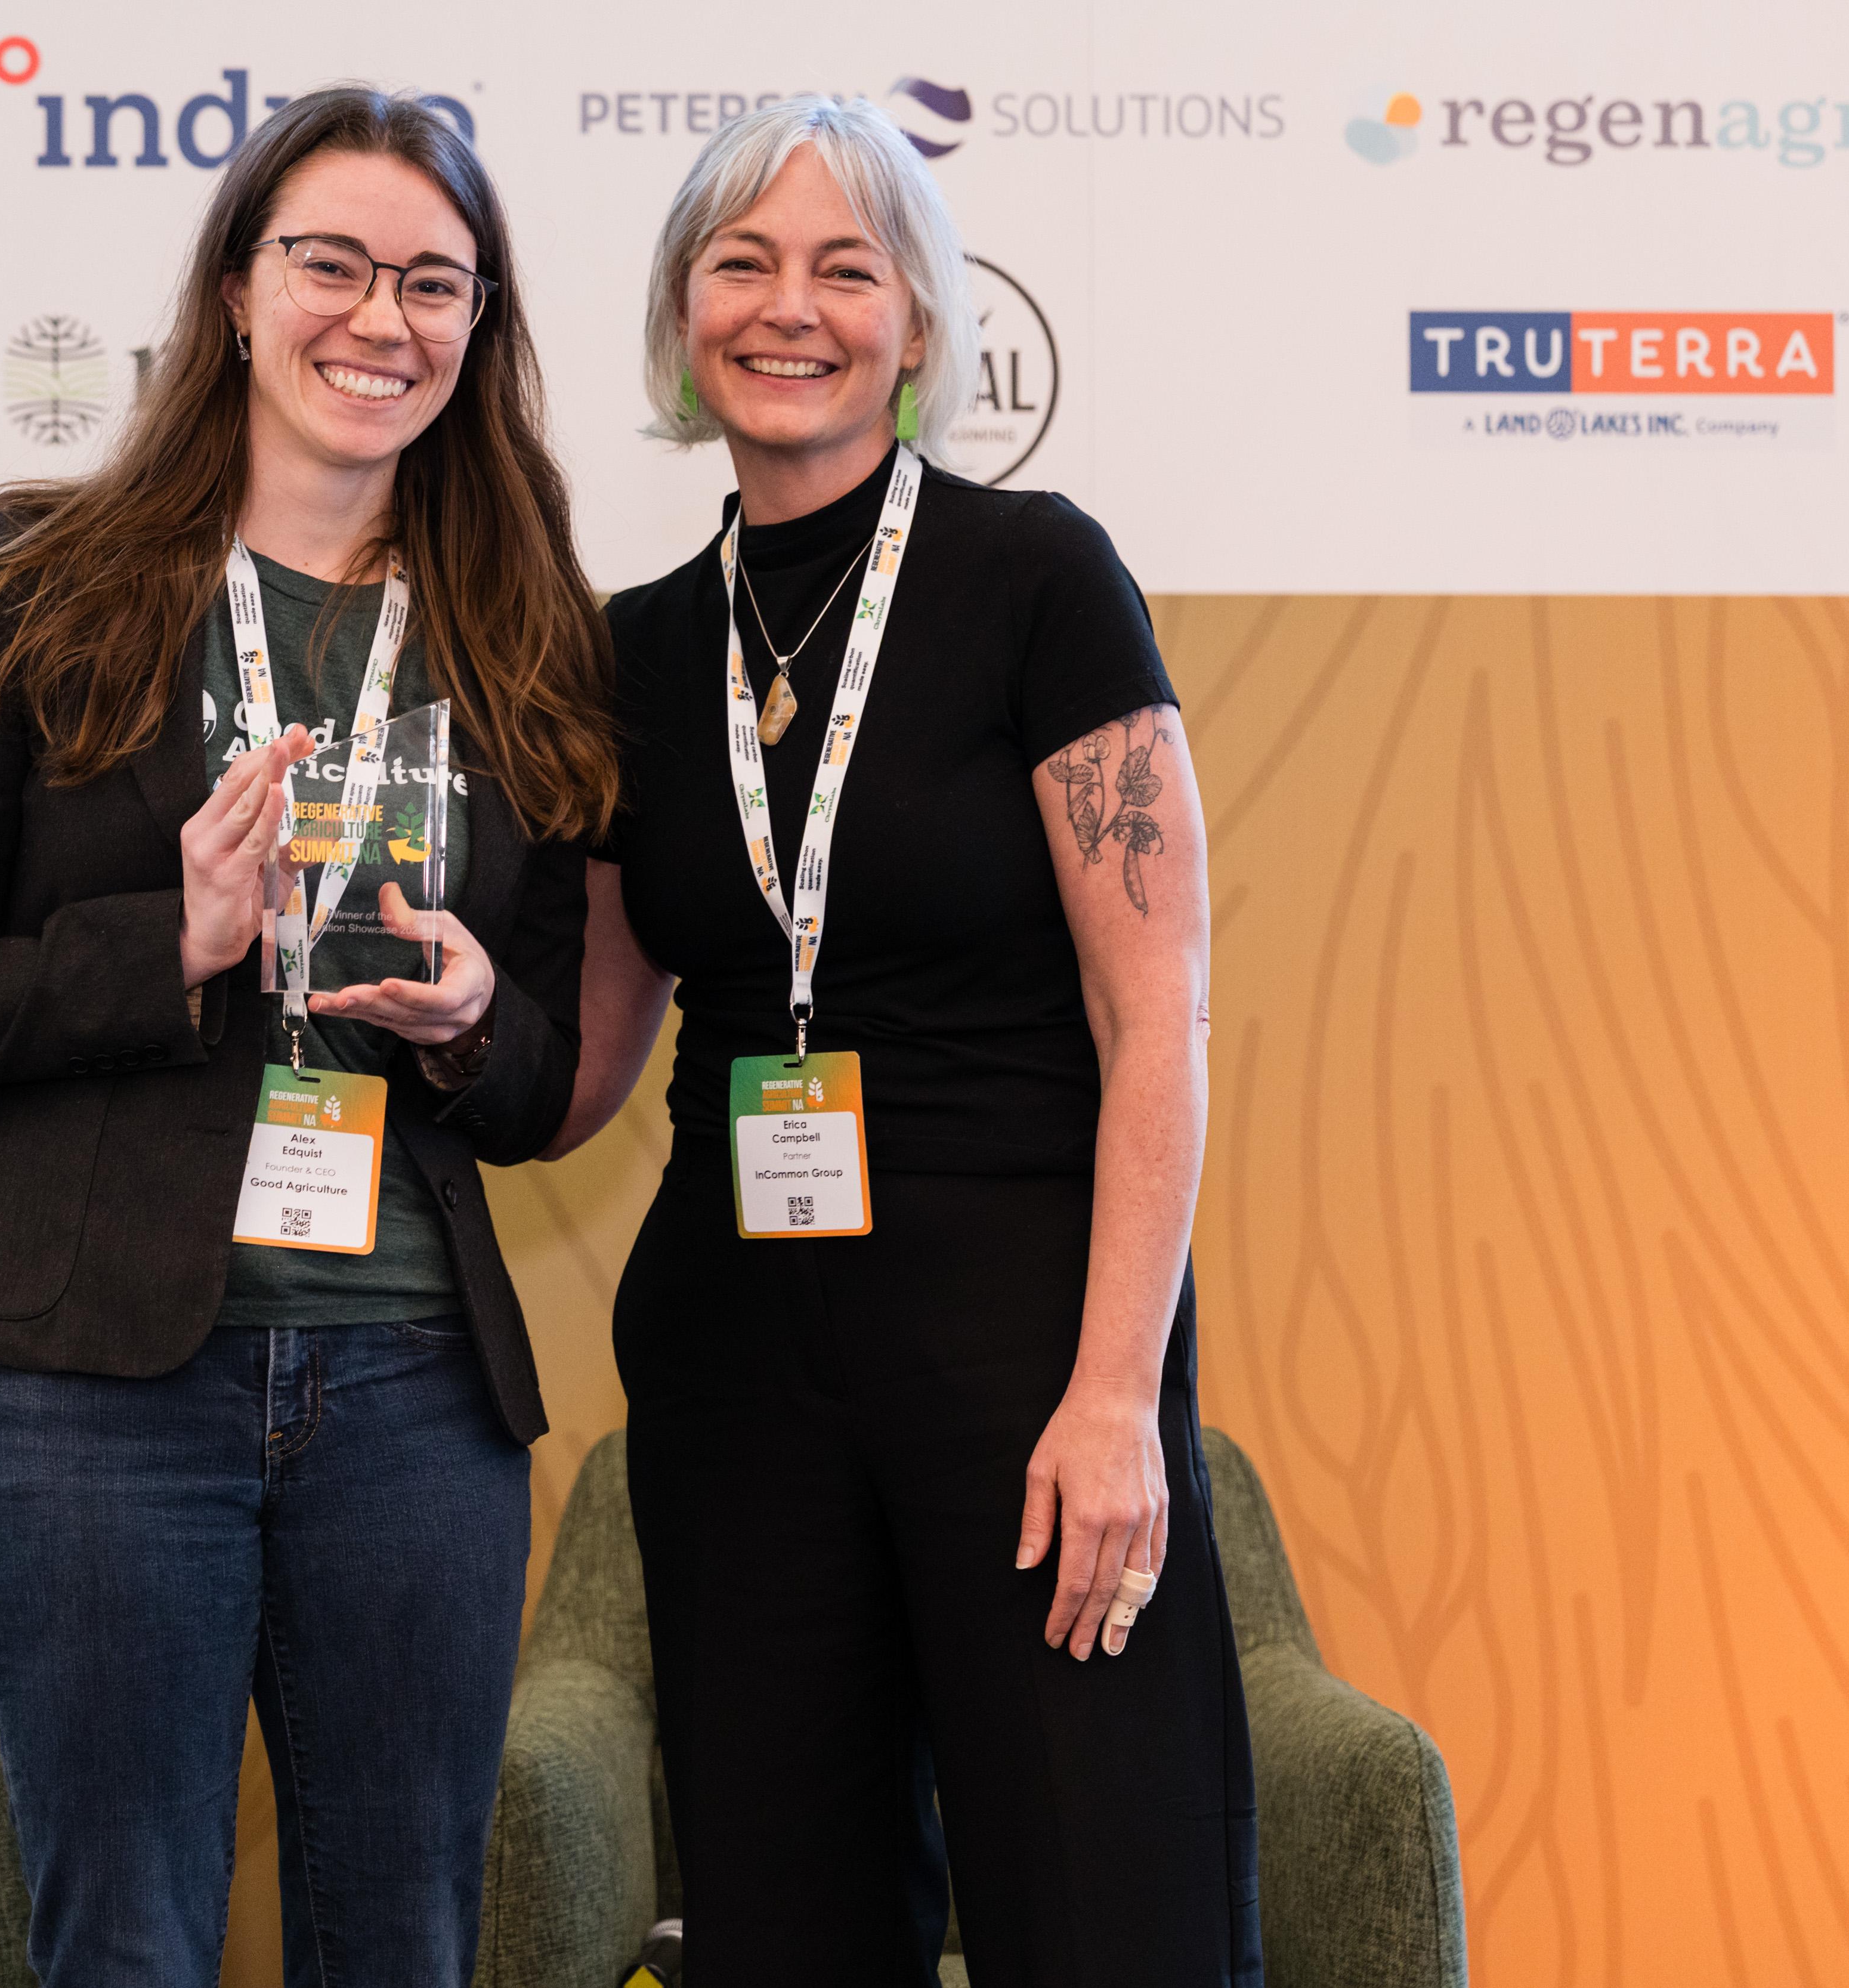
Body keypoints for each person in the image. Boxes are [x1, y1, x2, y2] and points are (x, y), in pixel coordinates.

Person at [0, 88, 613, 1988]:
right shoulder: (40, 592)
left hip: (414, 1395)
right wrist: (161, 946)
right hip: (100, 1399)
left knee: (405, 1940)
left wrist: (477, 1022)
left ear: (480, 324)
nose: (381, 317)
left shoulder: (523, 641)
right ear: (241, 293)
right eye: (332, 264)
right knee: (127, 1943)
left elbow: (542, 1079)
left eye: (435, 282)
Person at [554, 96, 1261, 1984]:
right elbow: (587, 1064)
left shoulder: (1037, 579)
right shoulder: (631, 653)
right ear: (683, 315)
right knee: (784, 1921)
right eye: (743, 264)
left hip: (1024, 1351)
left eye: (846, 269)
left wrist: (1118, 1398)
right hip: (733, 1361)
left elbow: (1157, 1015)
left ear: (922, 326)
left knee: (1104, 1910)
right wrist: (433, 1001)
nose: (790, 308)